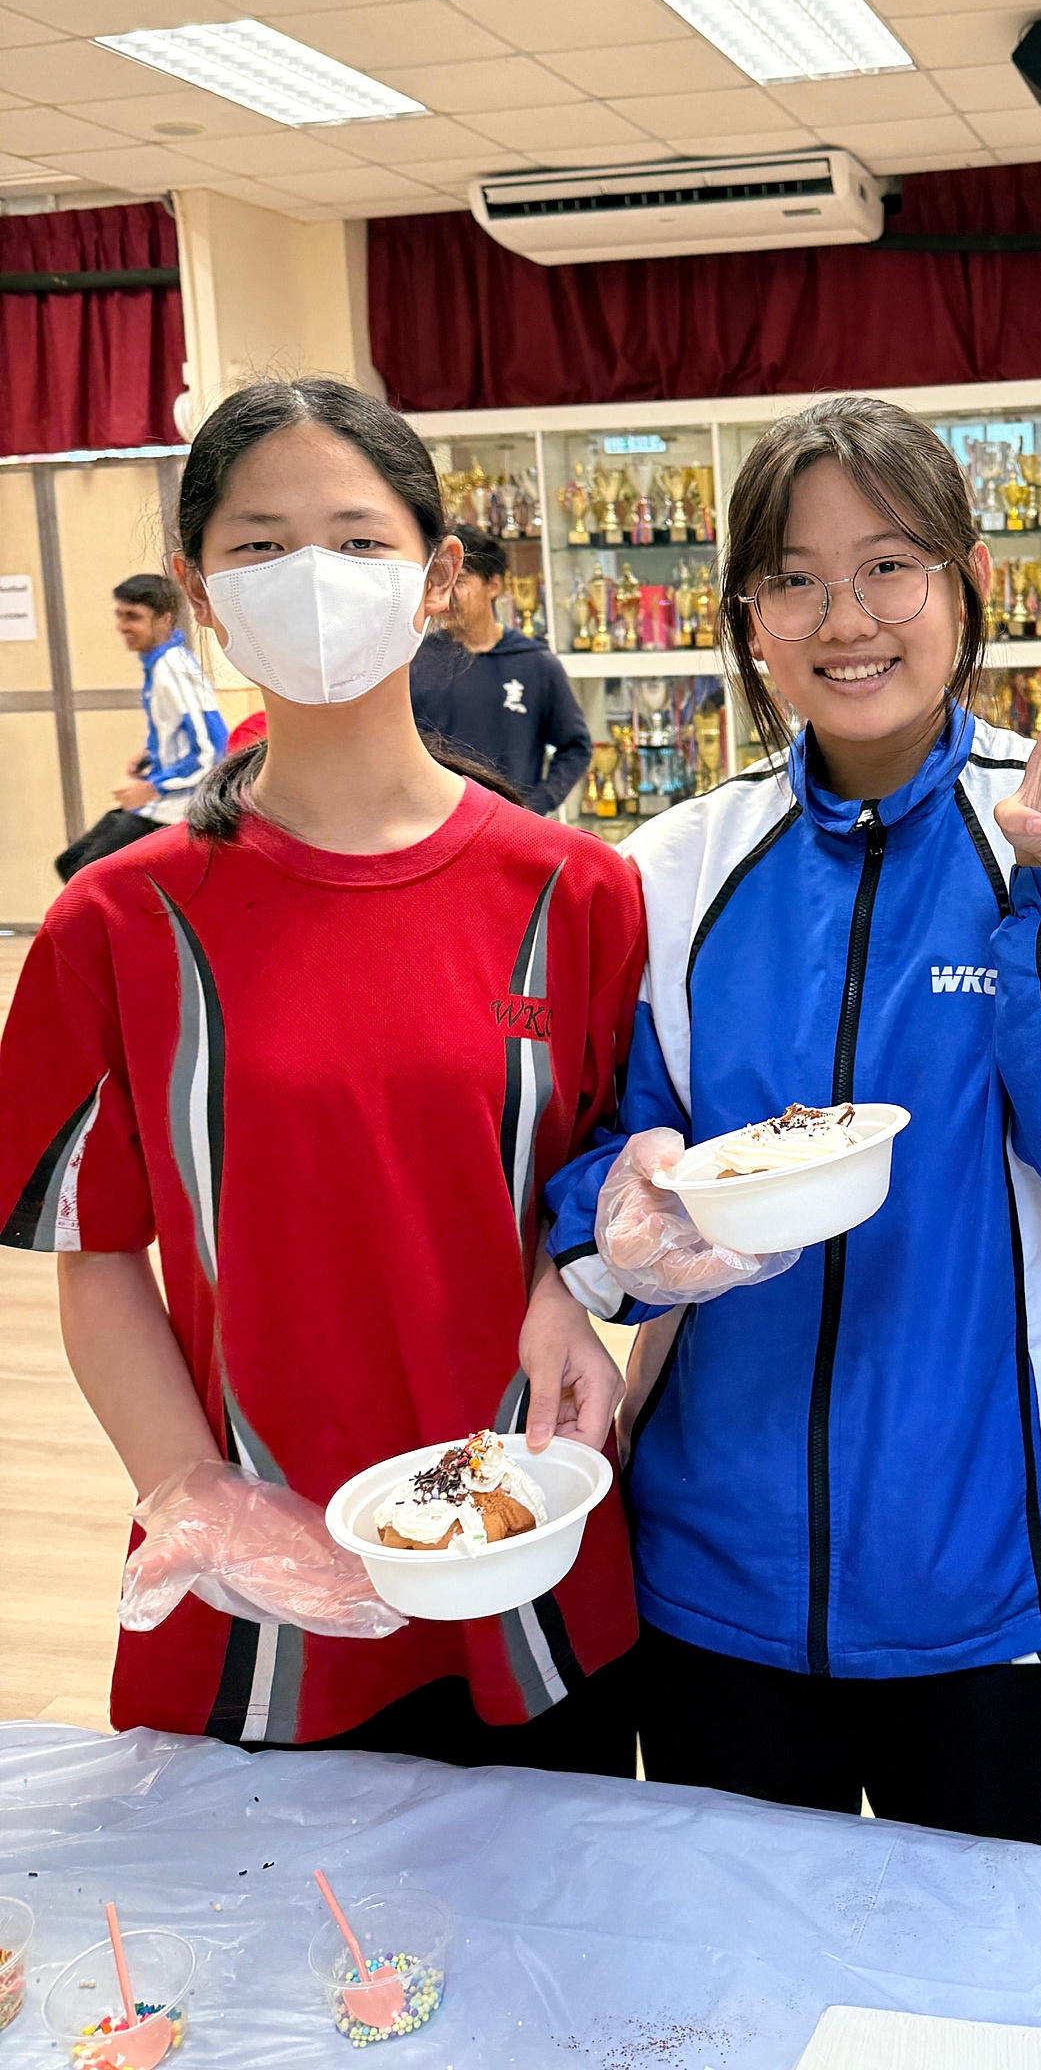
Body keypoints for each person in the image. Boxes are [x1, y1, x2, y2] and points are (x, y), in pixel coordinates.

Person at [543, 393, 1041, 1845]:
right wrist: (621, 1221)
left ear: (967, 581)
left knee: (985, 1963)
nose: (848, 619)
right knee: (742, 1960)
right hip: (715, 1574)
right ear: (749, 620)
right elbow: (594, 1180)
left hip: (1002, 1578)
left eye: (890, 565)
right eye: (796, 579)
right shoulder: (676, 870)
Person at [0, 378, 644, 1769]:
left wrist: (582, 1282)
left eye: (357, 541)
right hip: (260, 1599)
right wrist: (193, 1490)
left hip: (526, 1553)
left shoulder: (577, 893)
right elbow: (98, 1257)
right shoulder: (117, 924)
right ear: (201, 591)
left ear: (437, 576)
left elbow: (604, 1182)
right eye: (259, 546)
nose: (313, 579)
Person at [410, 523, 591, 817]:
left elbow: (575, 748)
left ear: (494, 585)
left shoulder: (535, 663)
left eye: (460, 581)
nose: (447, 593)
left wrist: (534, 806)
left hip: (512, 826)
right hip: (436, 824)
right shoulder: (416, 662)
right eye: (439, 580)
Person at [54, 573, 227, 880]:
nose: (122, 626)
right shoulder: (159, 665)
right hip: (158, 803)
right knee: (70, 863)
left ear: (165, 619)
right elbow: (179, 732)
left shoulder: (174, 670)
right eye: (120, 615)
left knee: (85, 874)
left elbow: (211, 749)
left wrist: (152, 787)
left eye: (132, 617)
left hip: (174, 811)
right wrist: (149, 755)